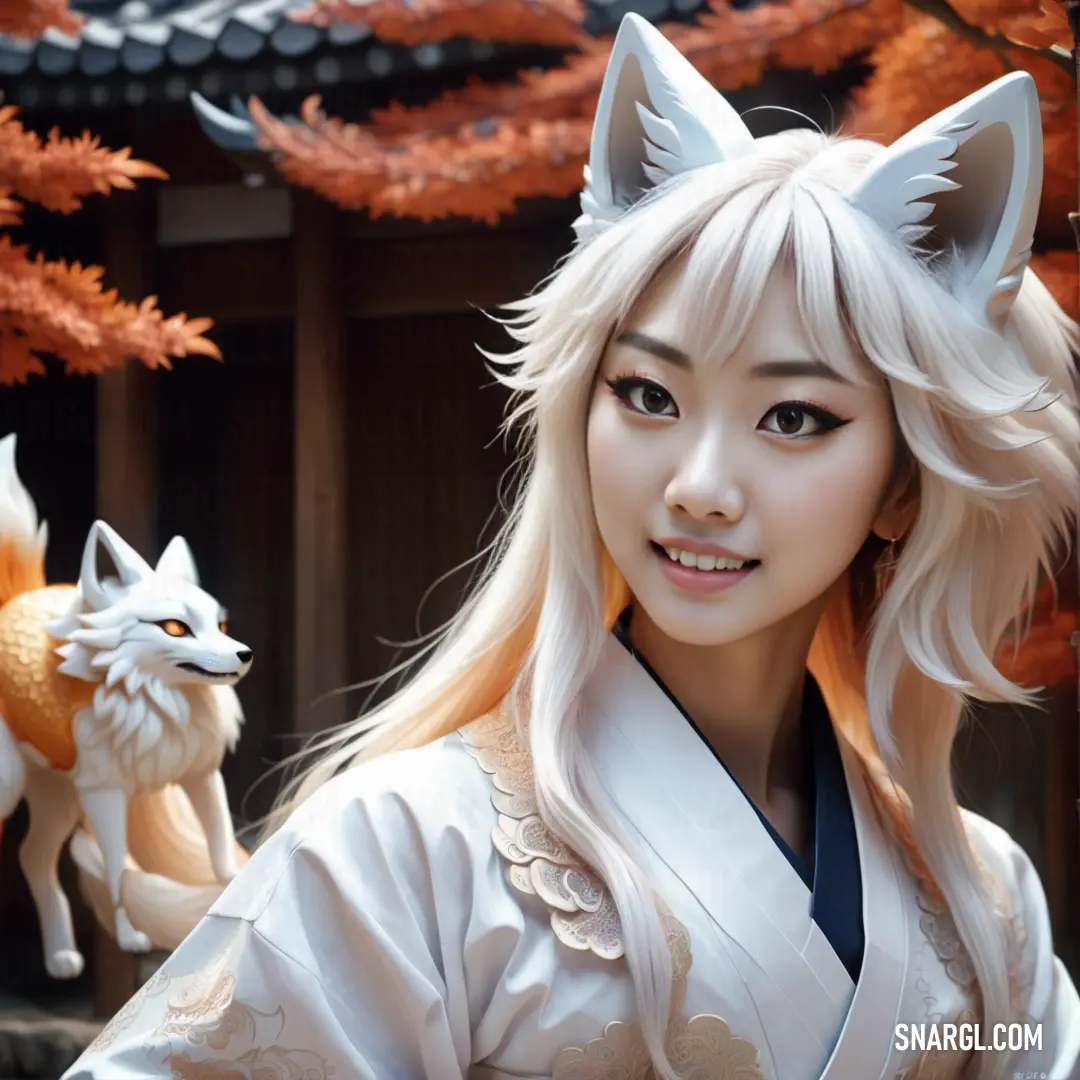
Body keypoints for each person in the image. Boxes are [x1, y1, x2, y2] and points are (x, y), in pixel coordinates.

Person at [62, 13, 1080, 1080]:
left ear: (904, 484)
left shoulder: (984, 905)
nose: (697, 488)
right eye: (647, 395)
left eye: (795, 418)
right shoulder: (405, 853)